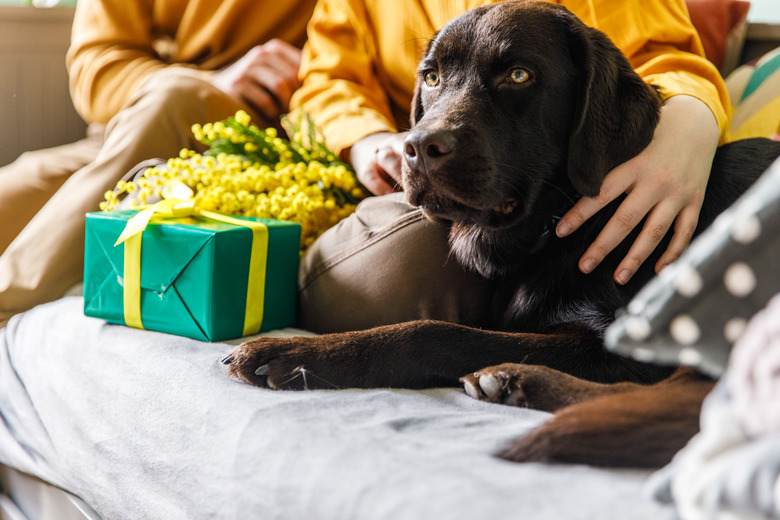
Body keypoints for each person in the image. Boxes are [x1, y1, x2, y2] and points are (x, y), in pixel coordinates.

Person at [290, 0, 730, 333]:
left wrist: (691, 116)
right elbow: (329, 77)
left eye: (516, 75)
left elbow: (664, 60)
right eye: (432, 77)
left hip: (537, 198)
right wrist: (366, 139)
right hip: (405, 185)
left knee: (373, 276)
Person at [0, 0, 317, 327]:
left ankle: (6, 303)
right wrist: (209, 82)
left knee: (175, 97)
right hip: (131, 130)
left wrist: (192, 94)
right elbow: (96, 71)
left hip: (264, 137)